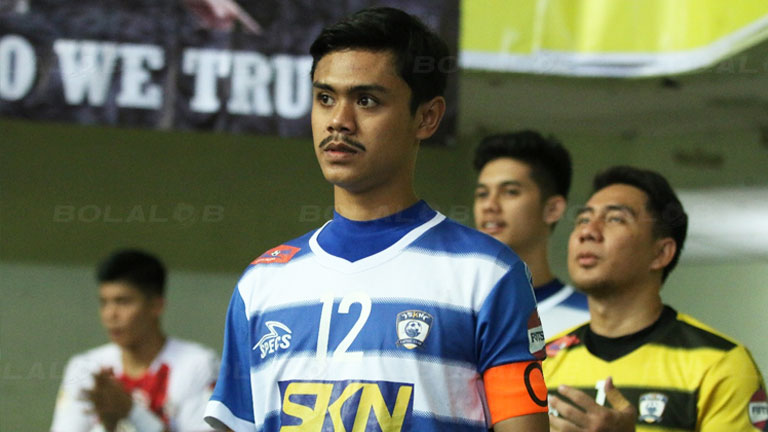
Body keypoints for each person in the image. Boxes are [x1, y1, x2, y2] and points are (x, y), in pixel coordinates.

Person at [204, 7, 549, 432]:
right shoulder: (262, 283)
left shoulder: (488, 273)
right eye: (325, 98)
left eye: (366, 100)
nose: (339, 121)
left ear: (427, 117)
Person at [544, 166, 767, 431]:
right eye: (582, 220)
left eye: (615, 219)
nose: (587, 232)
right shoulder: (542, 361)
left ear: (661, 253)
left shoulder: (722, 363)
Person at [51, 249, 220, 432]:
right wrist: (108, 425)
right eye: (104, 302)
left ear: (156, 305)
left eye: (123, 302)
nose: (110, 314)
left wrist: (131, 411)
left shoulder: (197, 364)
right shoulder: (86, 367)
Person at [473, 131, 589, 338]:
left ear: (552, 209)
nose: (489, 205)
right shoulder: (446, 309)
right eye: (482, 194)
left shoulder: (588, 320)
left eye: (510, 191)